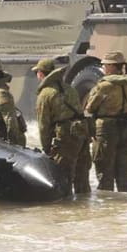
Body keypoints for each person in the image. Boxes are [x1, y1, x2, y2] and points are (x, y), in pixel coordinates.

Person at [32, 58, 91, 194]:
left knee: (63, 177)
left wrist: (46, 148)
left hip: (65, 137)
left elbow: (43, 125)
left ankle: (66, 211)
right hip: (81, 132)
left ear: (41, 74)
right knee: (82, 178)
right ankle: (86, 210)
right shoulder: (69, 88)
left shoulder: (45, 94)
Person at [84, 51, 127, 193]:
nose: (104, 68)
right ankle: (126, 204)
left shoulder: (104, 86)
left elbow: (90, 107)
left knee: (104, 170)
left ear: (113, 66)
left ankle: (107, 207)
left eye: (105, 65)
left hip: (106, 129)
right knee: (124, 171)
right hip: (126, 127)